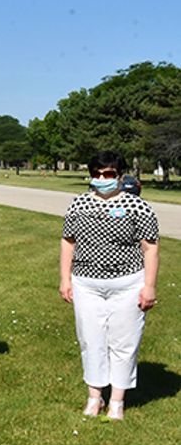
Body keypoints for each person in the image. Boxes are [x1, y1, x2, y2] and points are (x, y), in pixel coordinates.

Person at [60, 151, 159, 420]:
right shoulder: (78, 205)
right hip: (87, 284)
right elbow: (68, 242)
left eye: (108, 174)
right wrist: (65, 278)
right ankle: (95, 397)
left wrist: (149, 286)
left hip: (127, 283)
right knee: (91, 340)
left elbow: (150, 249)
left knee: (124, 342)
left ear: (120, 176)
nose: (102, 179)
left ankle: (117, 401)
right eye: (96, 174)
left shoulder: (138, 207)